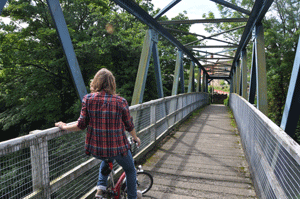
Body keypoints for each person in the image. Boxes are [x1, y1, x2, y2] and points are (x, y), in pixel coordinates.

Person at [55, 68, 141, 199]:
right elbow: (129, 125)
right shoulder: (120, 101)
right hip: (118, 148)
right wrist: (135, 138)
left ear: (96, 82)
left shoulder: (88, 99)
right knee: (130, 170)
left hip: (97, 150)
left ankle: (99, 191)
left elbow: (80, 125)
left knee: (107, 157)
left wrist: (64, 126)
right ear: (112, 83)